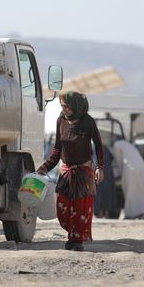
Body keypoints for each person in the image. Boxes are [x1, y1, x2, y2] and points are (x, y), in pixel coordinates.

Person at [37, 91, 104, 252]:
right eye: (62, 106)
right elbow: (57, 149)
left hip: (83, 172)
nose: (64, 109)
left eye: (67, 106)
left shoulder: (88, 122)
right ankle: (73, 234)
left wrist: (100, 167)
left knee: (80, 209)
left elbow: (99, 146)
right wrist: (45, 167)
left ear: (76, 106)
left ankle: (76, 240)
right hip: (66, 172)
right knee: (63, 208)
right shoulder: (61, 120)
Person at [112, 138, 144, 219]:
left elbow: (118, 160)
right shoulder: (128, 145)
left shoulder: (116, 144)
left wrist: (120, 173)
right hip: (141, 165)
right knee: (142, 190)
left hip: (131, 167)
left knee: (131, 191)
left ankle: (133, 213)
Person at [93, 143, 118, 218]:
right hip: (108, 172)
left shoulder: (94, 146)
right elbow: (112, 158)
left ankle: (100, 213)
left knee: (99, 193)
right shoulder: (105, 146)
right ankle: (106, 213)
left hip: (99, 172)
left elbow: (94, 160)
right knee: (107, 192)